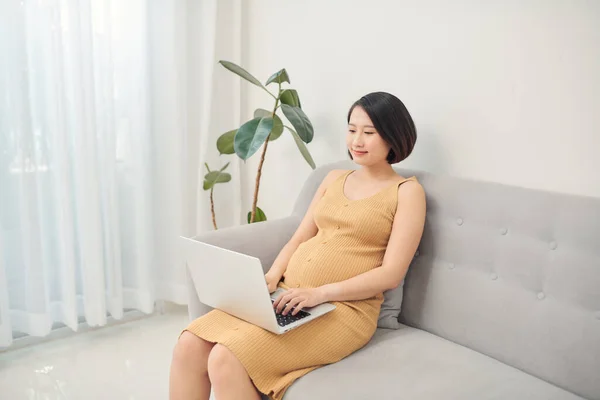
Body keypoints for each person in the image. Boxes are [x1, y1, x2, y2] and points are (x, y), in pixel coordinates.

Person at [169, 91, 426, 400]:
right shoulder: (333, 177)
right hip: (289, 296)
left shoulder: (406, 193)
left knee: (226, 357)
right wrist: (272, 276)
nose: (357, 140)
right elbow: (301, 236)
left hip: (343, 310)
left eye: (369, 132)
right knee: (189, 343)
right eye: (352, 129)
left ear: (393, 136)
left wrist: (319, 293)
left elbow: (391, 275)